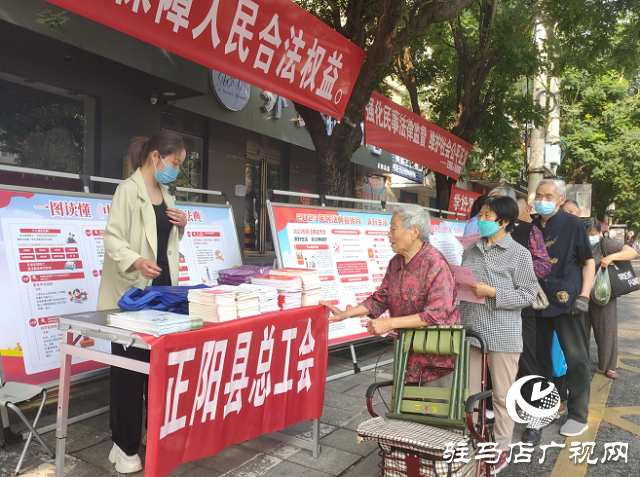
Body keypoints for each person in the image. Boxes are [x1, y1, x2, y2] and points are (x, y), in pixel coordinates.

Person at [98, 131, 187, 473]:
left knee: (156, 370)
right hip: (132, 294)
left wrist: (181, 224)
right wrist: (136, 261)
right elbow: (112, 238)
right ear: (156, 157)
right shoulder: (127, 190)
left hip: (162, 294)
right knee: (128, 371)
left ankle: (149, 437)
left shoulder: (166, 194)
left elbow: (167, 241)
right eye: (175, 162)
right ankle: (124, 446)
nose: (177, 169)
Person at [320, 204, 460, 385]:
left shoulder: (436, 264)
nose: (389, 235)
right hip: (406, 357)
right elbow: (381, 299)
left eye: (393, 229)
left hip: (435, 362)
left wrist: (389, 323)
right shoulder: (396, 263)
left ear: (414, 232)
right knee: (404, 403)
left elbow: (435, 315)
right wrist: (345, 314)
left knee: (433, 403)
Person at [461, 196, 537, 474]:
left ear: (503, 221)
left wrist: (493, 293)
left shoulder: (519, 253)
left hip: (503, 332)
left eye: (486, 216)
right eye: (479, 215)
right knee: (470, 392)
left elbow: (528, 294)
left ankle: (501, 448)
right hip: (472, 330)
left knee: (503, 395)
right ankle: (473, 439)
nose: (480, 220)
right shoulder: (471, 250)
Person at [487, 185, 557, 445]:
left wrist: (513, 269)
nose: (487, 209)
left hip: (519, 308)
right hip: (487, 308)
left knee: (526, 363)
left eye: (494, 203)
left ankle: (535, 418)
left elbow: (543, 264)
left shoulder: (528, 230)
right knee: (491, 364)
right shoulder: (482, 232)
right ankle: (492, 412)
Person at [532, 179, 595, 438]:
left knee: (576, 359)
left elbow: (588, 262)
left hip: (567, 302)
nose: (542, 200)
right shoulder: (531, 225)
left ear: (560, 199)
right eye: (539, 195)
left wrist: (584, 295)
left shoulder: (573, 224)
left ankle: (578, 415)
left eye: (548, 196)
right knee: (540, 361)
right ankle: (545, 407)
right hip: (536, 302)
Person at [583, 218, 638, 379]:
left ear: (600, 232)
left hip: (603, 293)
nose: (590, 237)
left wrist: (611, 257)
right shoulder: (577, 243)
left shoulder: (605, 244)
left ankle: (608, 365)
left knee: (606, 329)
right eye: (587, 234)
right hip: (581, 293)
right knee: (580, 331)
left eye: (593, 234)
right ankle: (580, 363)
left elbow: (632, 252)